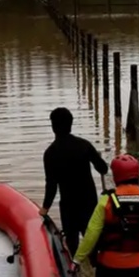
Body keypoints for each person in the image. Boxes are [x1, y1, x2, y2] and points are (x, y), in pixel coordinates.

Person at [39, 107, 109, 256]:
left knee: (72, 246)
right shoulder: (84, 145)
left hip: (69, 206)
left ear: (53, 127)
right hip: (89, 203)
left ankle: (75, 274)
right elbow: (103, 168)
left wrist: (45, 208)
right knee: (93, 244)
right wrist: (98, 160)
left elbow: (51, 186)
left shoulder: (50, 153)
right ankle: (94, 269)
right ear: (71, 124)